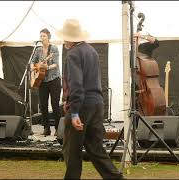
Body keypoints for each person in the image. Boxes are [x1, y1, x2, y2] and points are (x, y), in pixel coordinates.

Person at [56, 19, 124, 179]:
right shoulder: (91, 51)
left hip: (82, 105)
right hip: (97, 103)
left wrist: (74, 113)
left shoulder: (73, 54)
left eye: (65, 37)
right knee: (96, 149)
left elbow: (77, 85)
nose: (64, 41)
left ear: (70, 38)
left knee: (72, 150)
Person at [31, 28, 61, 136]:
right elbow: (32, 62)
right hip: (42, 80)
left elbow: (56, 64)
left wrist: (46, 67)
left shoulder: (53, 48)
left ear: (48, 37)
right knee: (43, 105)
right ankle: (46, 128)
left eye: (44, 36)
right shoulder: (38, 50)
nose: (42, 38)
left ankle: (58, 128)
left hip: (54, 80)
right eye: (41, 36)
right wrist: (34, 68)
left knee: (55, 105)